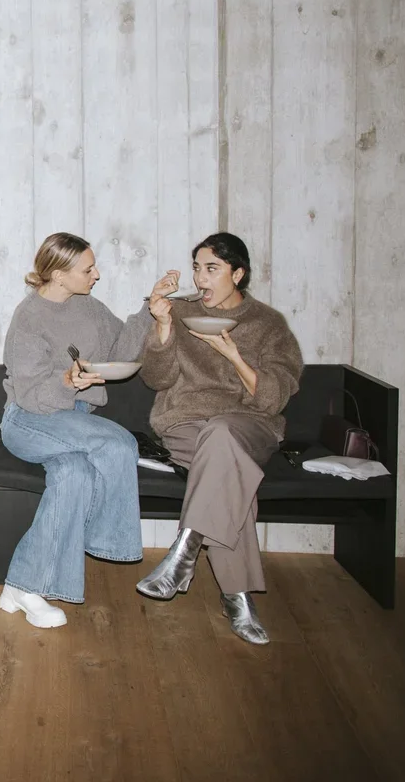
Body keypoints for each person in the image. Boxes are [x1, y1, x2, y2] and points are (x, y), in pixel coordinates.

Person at [0, 232, 175, 627]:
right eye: (88, 269)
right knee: (119, 443)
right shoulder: (28, 319)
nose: (96, 274)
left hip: (72, 420)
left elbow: (123, 349)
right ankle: (106, 541)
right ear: (59, 275)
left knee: (73, 473)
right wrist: (65, 381)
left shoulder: (89, 307)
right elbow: (29, 396)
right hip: (28, 420)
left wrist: (150, 304)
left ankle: (22, 586)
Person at [137, 232, 303, 645]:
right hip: (186, 424)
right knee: (228, 470)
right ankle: (238, 598)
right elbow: (156, 378)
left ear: (238, 274)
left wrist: (232, 354)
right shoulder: (180, 312)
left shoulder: (269, 325)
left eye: (212, 269)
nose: (201, 278)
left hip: (248, 424)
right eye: (197, 268)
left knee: (225, 436)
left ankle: (184, 550)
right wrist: (160, 324)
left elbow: (274, 399)